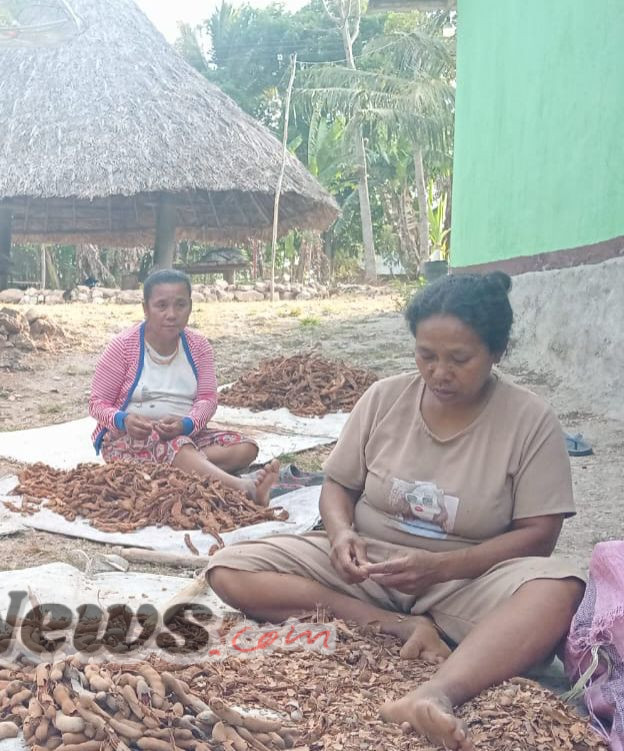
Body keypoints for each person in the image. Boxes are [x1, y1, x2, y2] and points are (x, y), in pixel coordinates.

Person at [204, 272, 584, 751]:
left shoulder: (530, 421)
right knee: (229, 568)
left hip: (465, 578)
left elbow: (539, 536)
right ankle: (398, 627)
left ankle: (437, 691)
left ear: (497, 351)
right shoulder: (384, 398)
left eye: (459, 359)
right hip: (368, 568)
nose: (439, 373)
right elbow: (339, 485)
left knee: (559, 589)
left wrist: (442, 566)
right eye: (426, 355)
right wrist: (341, 535)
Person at [89, 269, 277, 505]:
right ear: (145, 309)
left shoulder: (199, 347)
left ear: (190, 306)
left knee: (246, 448)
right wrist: (124, 420)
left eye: (180, 305)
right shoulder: (123, 347)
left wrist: (185, 424)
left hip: (185, 433)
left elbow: (208, 398)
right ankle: (242, 489)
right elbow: (97, 403)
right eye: (161, 305)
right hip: (128, 439)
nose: (171, 314)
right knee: (175, 446)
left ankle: (184, 465)